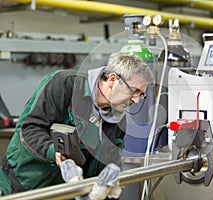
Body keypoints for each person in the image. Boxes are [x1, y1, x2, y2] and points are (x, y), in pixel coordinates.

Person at [0, 52, 154, 198]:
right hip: (23, 184)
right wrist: (55, 152)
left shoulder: (117, 119)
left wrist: (107, 184)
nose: (137, 100)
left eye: (141, 94)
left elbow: (108, 161)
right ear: (113, 80)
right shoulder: (64, 85)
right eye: (134, 91)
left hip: (63, 192)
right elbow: (30, 130)